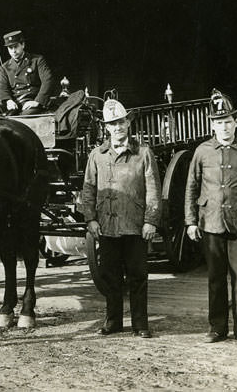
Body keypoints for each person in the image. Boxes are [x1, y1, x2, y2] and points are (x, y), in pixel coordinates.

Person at [185, 89, 237, 347]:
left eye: (228, 121)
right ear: (212, 125)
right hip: (211, 223)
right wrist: (190, 221)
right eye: (219, 122)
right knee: (215, 279)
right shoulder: (202, 152)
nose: (224, 127)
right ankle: (217, 328)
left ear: (236, 122)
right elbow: (191, 187)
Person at [81, 98, 161, 338]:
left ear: (128, 123)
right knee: (110, 275)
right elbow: (88, 189)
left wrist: (150, 221)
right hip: (107, 226)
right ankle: (113, 321)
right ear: (106, 127)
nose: (117, 127)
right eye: (112, 124)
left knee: (138, 275)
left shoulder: (143, 154)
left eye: (121, 122)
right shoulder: (97, 155)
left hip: (135, 226)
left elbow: (153, 190)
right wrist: (90, 219)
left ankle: (140, 324)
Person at [0, 30, 55, 114]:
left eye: (16, 46)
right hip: (15, 102)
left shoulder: (37, 60)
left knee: (26, 114)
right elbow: (2, 87)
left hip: (31, 100)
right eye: (10, 48)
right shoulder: (5, 67)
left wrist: (37, 101)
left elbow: (48, 81)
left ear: (23, 45)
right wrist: (8, 101)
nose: (13, 51)